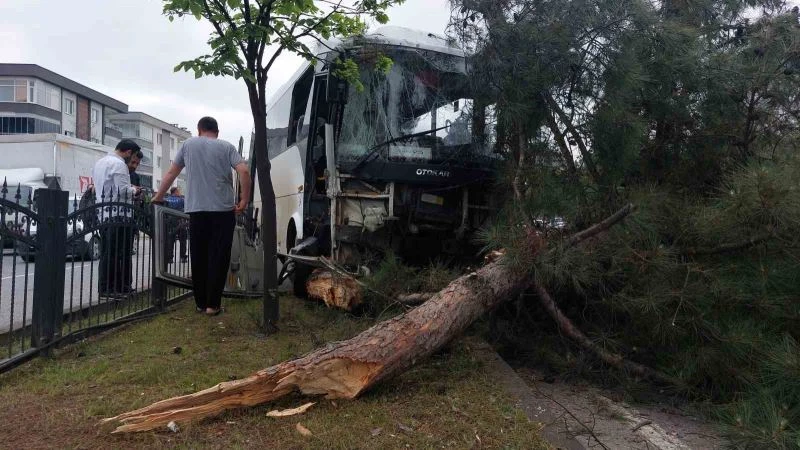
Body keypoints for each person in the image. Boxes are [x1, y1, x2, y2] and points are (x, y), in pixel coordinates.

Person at [152, 117, 251, 316]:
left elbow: (172, 172)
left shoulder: (188, 144)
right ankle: (212, 305)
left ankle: (199, 302)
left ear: (199, 130)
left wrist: (158, 197)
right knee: (219, 256)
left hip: (197, 210)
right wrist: (244, 200)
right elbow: (244, 170)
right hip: (223, 211)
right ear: (217, 131)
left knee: (199, 255)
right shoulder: (226, 146)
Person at [92, 139, 142, 298]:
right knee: (117, 253)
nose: (132, 160)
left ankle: (111, 287)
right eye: (133, 156)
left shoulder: (100, 162)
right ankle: (111, 288)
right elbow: (123, 190)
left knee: (109, 252)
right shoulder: (119, 164)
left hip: (104, 213)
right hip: (119, 214)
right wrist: (134, 190)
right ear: (128, 152)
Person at [164, 186, 188, 264]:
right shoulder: (181, 200)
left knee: (170, 240)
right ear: (176, 192)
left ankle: (169, 258)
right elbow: (185, 210)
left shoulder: (166, 199)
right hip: (180, 221)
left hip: (170, 222)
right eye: (179, 191)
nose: (180, 193)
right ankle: (183, 257)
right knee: (183, 240)